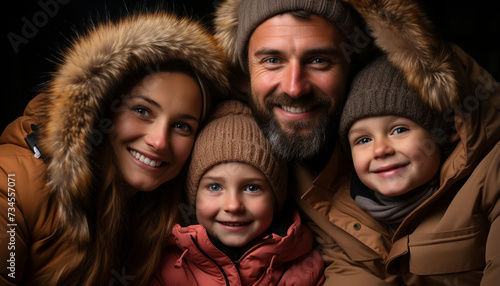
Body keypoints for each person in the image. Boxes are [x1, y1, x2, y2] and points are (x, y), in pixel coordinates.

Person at [213, 0, 500, 284]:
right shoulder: (243, 153)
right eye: (272, 60)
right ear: (244, 71)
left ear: (354, 65)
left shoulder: (487, 168)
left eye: (319, 61)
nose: (294, 87)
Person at [0, 11, 229, 285]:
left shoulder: (174, 216)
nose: (159, 141)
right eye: (142, 111)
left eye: (182, 126)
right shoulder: (10, 181)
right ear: (102, 112)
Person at [334, 55, 499, 284]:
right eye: (363, 140)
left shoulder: (490, 175)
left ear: (444, 131)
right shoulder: (344, 215)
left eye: (399, 130)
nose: (380, 150)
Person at [152, 100, 325, 285]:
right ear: (193, 198)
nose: (233, 206)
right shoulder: (163, 265)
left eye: (252, 188)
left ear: (276, 200)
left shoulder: (305, 267)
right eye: (215, 187)